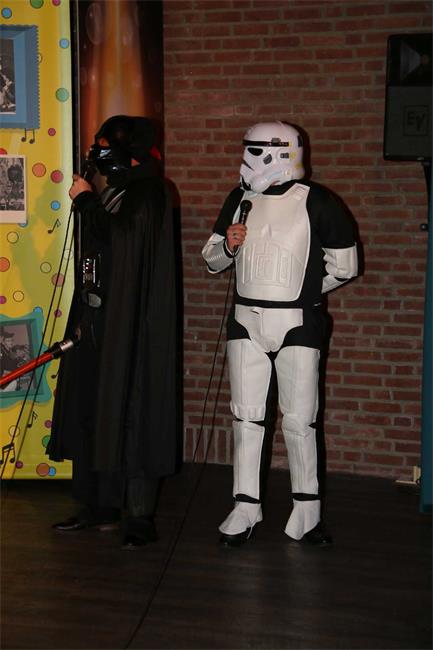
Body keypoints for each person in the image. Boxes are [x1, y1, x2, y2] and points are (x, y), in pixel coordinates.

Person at [202, 121, 358, 546]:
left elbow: (345, 265)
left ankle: (307, 512)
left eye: (256, 150)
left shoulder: (318, 201)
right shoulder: (239, 200)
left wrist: (306, 290)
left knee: (299, 420)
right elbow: (212, 259)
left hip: (298, 322)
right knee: (246, 417)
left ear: (281, 153)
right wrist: (229, 246)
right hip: (246, 321)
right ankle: (245, 506)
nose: (248, 158)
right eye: (247, 149)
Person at [47, 115, 180, 549]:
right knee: (91, 404)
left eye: (105, 146)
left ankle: (138, 516)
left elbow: (125, 242)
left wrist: (86, 202)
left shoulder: (151, 192)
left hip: (133, 326)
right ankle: (98, 504)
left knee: (132, 409)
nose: (98, 154)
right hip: (97, 316)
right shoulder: (115, 191)